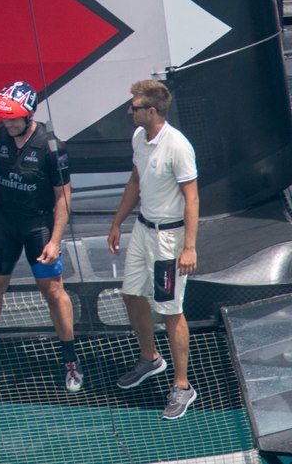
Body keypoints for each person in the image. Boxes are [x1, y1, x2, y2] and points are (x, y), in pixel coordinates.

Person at [0, 81, 82, 392]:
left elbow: (63, 198)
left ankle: (70, 358)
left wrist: (55, 240)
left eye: (14, 119)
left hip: (38, 226)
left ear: (28, 116)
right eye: (4, 118)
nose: (8, 123)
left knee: (53, 291)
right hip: (4, 222)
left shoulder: (52, 146)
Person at [107, 79, 198, 420]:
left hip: (169, 240)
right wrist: (117, 222)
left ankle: (182, 385)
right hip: (142, 230)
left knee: (170, 310)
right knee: (131, 294)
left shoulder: (177, 146)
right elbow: (136, 181)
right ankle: (150, 358)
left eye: (134, 106)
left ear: (152, 112)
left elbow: (192, 197)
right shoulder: (138, 138)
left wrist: (188, 247)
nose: (129, 110)